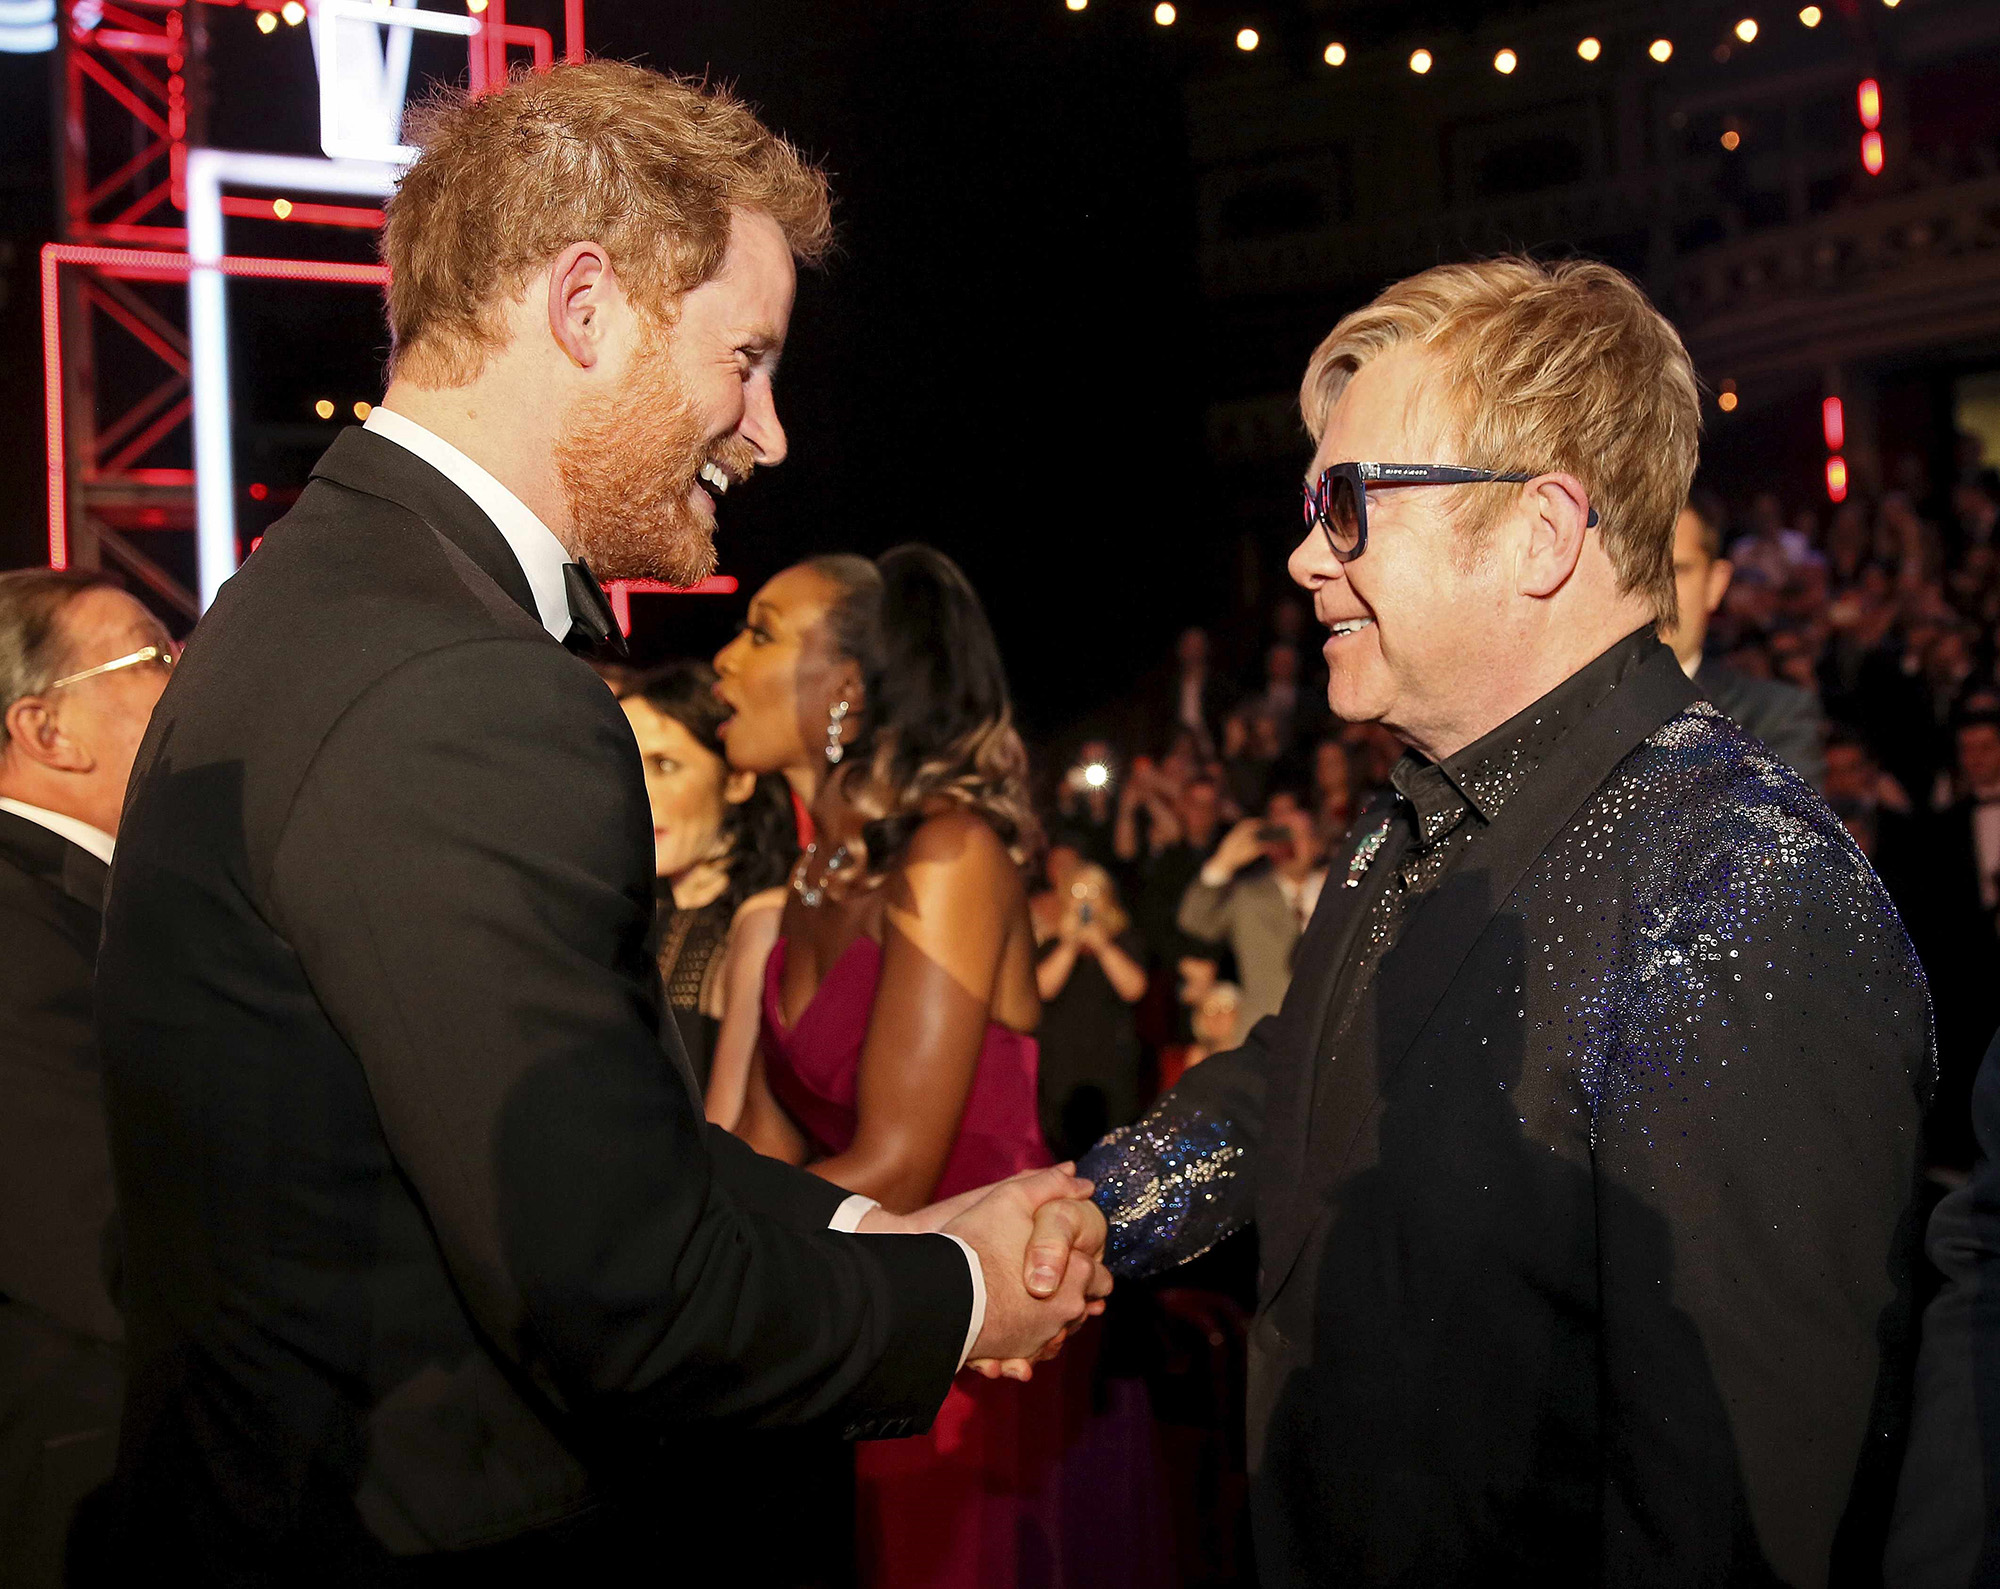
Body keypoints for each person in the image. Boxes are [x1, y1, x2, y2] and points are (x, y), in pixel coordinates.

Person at [94, 66, 1104, 1580]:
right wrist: (959, 1300)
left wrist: (873, 1240)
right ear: (586, 308)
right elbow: (614, 1290)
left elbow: (585, 1142)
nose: (764, 432)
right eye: (745, 359)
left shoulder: (323, 596)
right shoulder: (454, 680)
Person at [1079, 256, 1930, 1586]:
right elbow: (1303, 1081)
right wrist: (1087, 1209)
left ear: (1541, 533)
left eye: (1350, 503)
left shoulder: (1742, 886)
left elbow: (1733, 1512)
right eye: (1312, 505)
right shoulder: (1410, 818)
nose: (1306, 555)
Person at [731, 545, 1088, 1589]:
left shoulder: (949, 856)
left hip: (965, 1336)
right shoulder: (807, 875)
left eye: (756, 631)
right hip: (849, 1315)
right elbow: (757, 1149)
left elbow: (894, 1164)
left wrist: (681, 1257)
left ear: (843, 689)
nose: (720, 662)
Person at [0, 571, 172, 1588]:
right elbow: (95, 1235)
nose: (190, 674)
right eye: (153, 654)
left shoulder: (99, 902)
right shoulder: (17, 918)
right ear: (47, 730)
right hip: (88, 1485)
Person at [618, 660, 796, 1122]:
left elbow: (731, 1138)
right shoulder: (621, 915)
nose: (632, 791)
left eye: (664, 765)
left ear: (737, 777)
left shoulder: (766, 921)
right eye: (620, 762)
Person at [1665, 491, 1827, 789]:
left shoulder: (1774, 719)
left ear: (1715, 583)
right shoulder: (1576, 707)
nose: (1658, 592)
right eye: (1640, 571)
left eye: (1678, 570)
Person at [1175, 789, 1326, 1045]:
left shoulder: (1341, 890)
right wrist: (1223, 863)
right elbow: (1194, 921)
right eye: (1282, 835)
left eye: (1300, 834)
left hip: (1328, 1033)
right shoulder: (1248, 895)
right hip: (1266, 1035)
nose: (1290, 843)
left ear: (1317, 843)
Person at [1031, 851, 1148, 1162]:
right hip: (1063, 1066)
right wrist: (1069, 944)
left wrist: (1103, 946)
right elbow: (1043, 988)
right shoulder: (1052, 945)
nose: (1086, 901)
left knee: (1113, 1148)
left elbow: (1134, 988)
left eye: (1093, 892)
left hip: (1111, 1064)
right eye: (1077, 892)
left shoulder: (1126, 940)